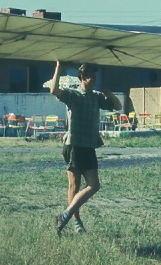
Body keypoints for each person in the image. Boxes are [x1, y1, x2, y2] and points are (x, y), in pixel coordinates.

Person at [51, 61, 122, 235]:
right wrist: (59, 67)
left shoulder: (97, 96)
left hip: (89, 146)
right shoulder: (73, 95)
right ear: (82, 77)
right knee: (74, 186)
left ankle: (65, 215)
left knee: (94, 185)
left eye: (95, 75)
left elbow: (118, 107)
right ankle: (76, 223)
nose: (94, 78)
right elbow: (54, 90)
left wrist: (110, 95)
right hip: (74, 145)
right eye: (91, 75)